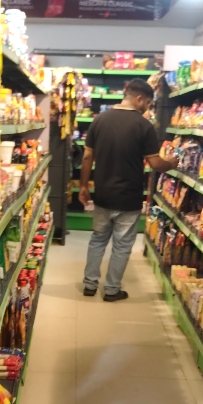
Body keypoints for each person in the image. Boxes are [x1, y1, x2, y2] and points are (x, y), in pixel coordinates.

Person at [79, 78, 174, 301]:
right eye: (148, 103)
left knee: (97, 240)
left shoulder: (99, 120)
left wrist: (83, 185)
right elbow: (155, 163)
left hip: (103, 194)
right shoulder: (144, 126)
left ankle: (90, 285)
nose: (147, 108)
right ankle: (112, 290)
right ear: (139, 99)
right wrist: (172, 163)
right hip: (129, 197)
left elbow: (87, 156)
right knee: (121, 246)